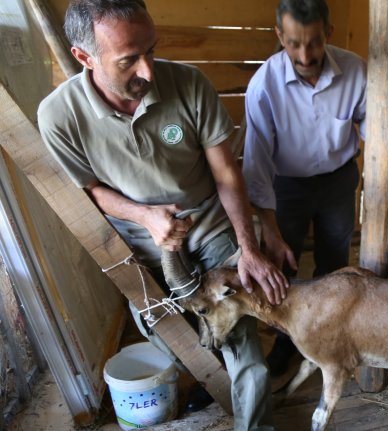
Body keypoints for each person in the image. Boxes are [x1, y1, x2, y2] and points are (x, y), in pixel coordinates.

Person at [37, 1, 288, 429]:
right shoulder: (58, 116)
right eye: (128, 60)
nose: (148, 72)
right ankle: (202, 383)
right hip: (139, 242)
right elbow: (92, 191)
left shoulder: (188, 83)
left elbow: (227, 174)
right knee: (171, 339)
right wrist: (144, 216)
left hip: (208, 226)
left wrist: (249, 247)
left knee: (243, 343)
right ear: (84, 57)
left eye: (151, 50)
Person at [242, 0, 366, 376]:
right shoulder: (265, 82)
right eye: (294, 43)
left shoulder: (356, 71)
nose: (305, 54)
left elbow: (375, 126)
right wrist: (268, 225)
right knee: (283, 267)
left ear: (327, 33)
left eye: (313, 42)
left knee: (335, 261)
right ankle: (287, 342)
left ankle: (334, 336)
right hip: (286, 187)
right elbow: (257, 160)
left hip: (338, 180)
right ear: (280, 36)